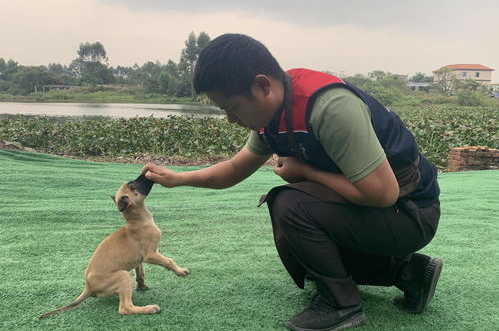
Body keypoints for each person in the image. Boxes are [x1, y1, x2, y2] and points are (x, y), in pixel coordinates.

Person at [141, 33, 442, 331]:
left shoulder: (328, 107)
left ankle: (342, 305)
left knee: (289, 204)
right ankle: (409, 273)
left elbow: (382, 193)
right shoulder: (272, 115)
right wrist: (177, 179)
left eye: (232, 108)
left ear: (262, 85)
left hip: (411, 212)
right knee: (306, 256)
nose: (231, 119)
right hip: (381, 211)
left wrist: (307, 173)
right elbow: (234, 169)